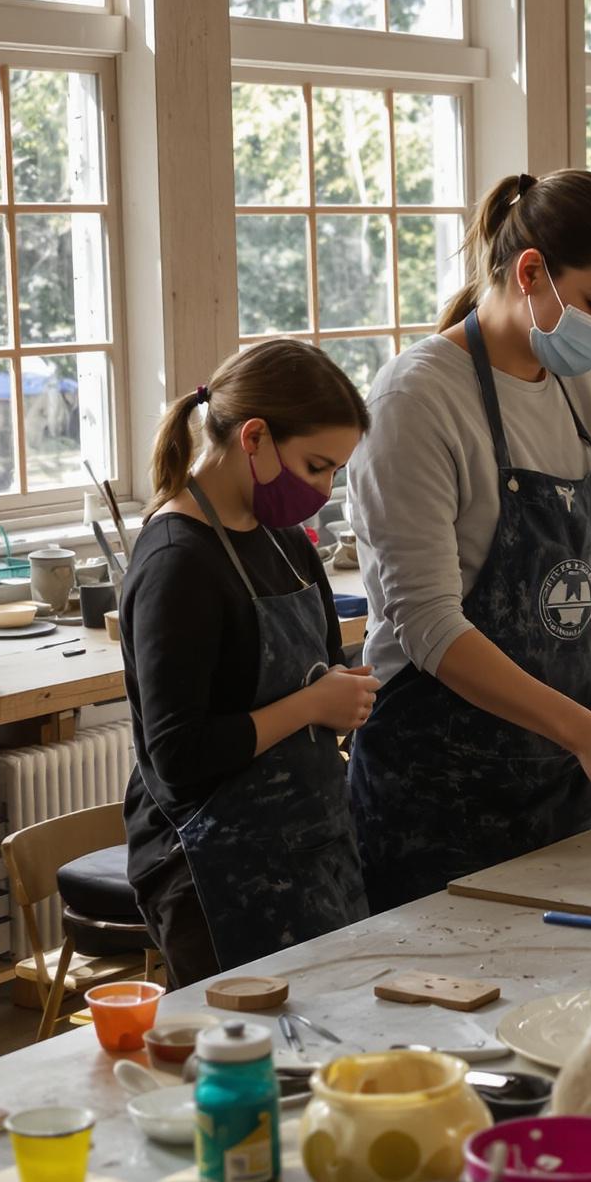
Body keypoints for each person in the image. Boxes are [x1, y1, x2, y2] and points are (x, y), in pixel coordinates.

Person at [347, 170, 591, 913]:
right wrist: (588, 733)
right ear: (530, 270)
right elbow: (431, 626)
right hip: (436, 786)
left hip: (557, 777)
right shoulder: (417, 401)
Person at [119, 340, 373, 986]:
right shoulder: (177, 562)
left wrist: (346, 694)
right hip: (210, 868)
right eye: (316, 466)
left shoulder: (284, 542)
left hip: (310, 844)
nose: (322, 489)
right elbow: (178, 757)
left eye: (335, 472)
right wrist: (314, 707)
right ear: (254, 437)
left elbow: (322, 663)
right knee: (256, 1069)